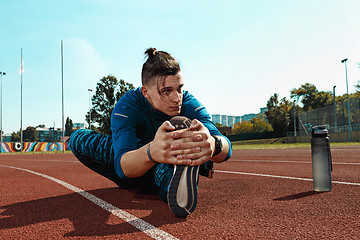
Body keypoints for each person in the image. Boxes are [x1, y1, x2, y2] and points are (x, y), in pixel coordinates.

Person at [69, 47, 232, 217]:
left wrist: (214, 145)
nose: (177, 98)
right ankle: (165, 179)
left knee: (172, 169)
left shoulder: (189, 104)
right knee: (77, 138)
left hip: (166, 163)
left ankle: (171, 182)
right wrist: (151, 152)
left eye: (179, 88)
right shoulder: (127, 106)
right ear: (146, 92)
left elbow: (226, 147)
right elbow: (122, 167)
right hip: (136, 159)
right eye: (166, 91)